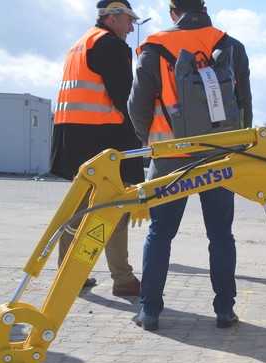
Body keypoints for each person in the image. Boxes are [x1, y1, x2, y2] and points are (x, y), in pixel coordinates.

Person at [128, 0, 252, 331]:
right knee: (221, 235)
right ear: (204, 8)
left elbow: (137, 106)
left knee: (160, 233)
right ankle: (225, 310)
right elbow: (245, 104)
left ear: (173, 12)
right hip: (219, 155)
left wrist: (150, 142)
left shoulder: (155, 47)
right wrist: (239, 148)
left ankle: (150, 311)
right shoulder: (231, 46)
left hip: (170, 155)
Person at [50, 0, 144, 297]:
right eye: (129, 19)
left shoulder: (80, 44)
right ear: (113, 17)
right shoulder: (110, 45)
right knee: (113, 205)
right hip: (103, 137)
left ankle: (69, 274)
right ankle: (123, 278)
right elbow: (125, 97)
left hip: (72, 137)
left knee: (80, 206)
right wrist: (143, 130)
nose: (132, 27)